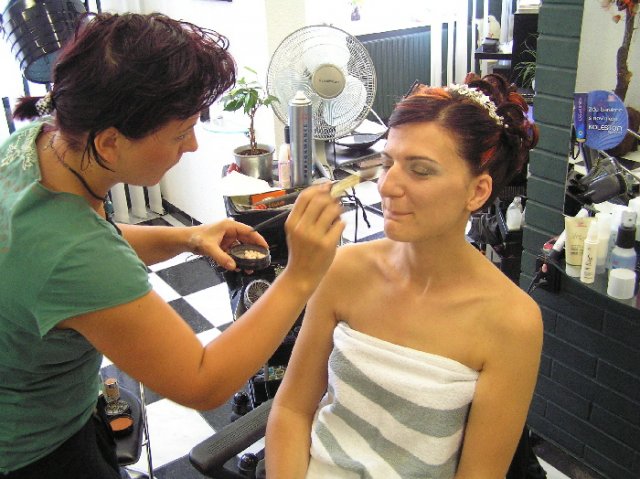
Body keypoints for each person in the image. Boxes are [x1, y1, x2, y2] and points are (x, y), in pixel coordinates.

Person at [0, 12, 345, 479]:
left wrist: (187, 237)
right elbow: (202, 381)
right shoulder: (74, 255)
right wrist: (300, 276)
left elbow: (75, 247)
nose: (193, 146)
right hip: (36, 453)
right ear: (110, 143)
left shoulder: (37, 144)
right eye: (181, 133)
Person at [265, 74, 543, 478]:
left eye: (421, 171)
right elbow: (292, 408)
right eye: (388, 163)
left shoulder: (512, 321)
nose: (387, 185)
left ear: (477, 191)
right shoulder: (344, 270)